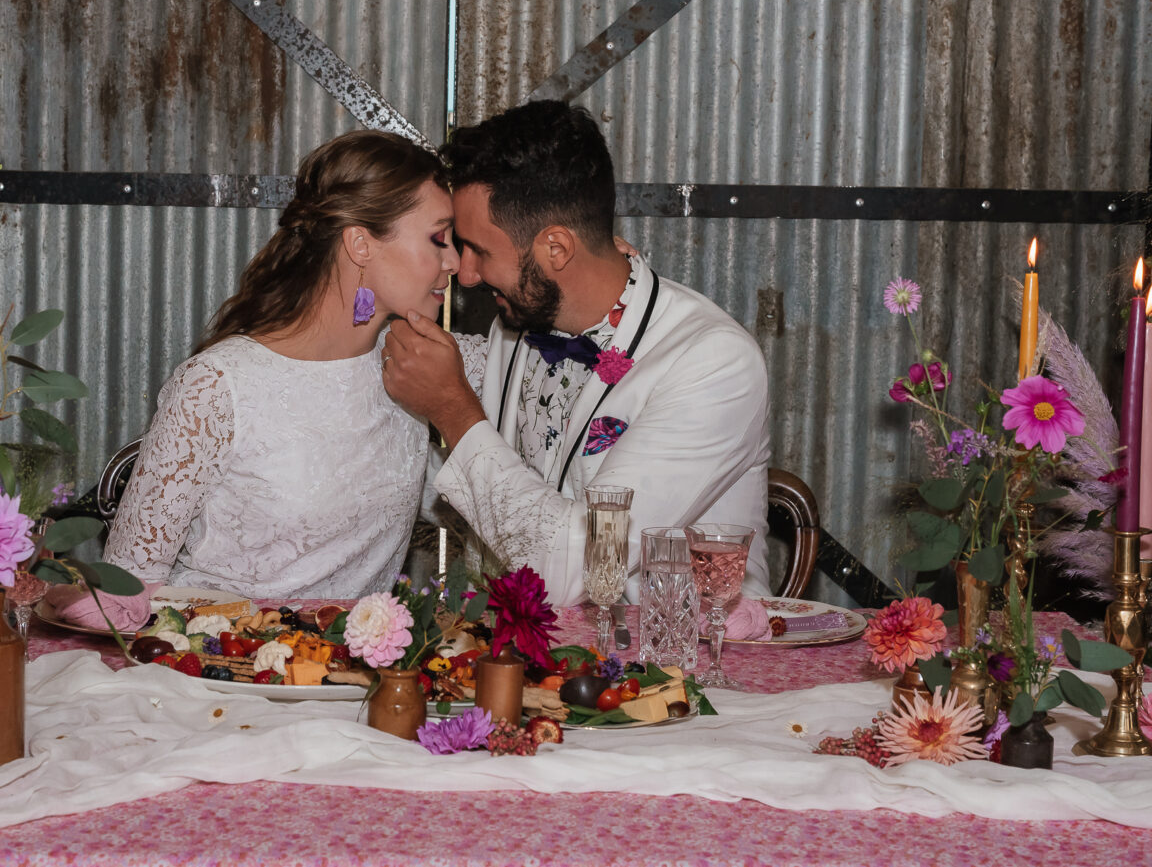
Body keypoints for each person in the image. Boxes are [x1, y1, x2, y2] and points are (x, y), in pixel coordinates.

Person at [382, 100, 771, 606]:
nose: (467, 274)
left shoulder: (713, 363)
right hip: (523, 659)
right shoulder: (521, 319)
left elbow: (587, 563)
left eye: (480, 249)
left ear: (557, 250)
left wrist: (455, 412)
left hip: (682, 666)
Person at [104, 130, 469, 597]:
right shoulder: (217, 387)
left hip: (360, 667)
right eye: (439, 239)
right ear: (361, 245)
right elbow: (125, 588)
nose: (456, 261)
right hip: (207, 662)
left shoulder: (422, 367)